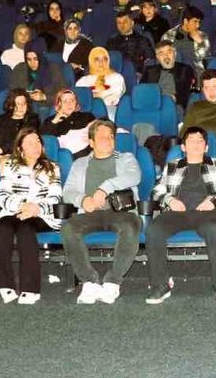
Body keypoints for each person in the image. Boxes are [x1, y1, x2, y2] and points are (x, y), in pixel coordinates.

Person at [146, 125, 216, 305]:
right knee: (154, 230)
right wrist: (170, 200)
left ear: (206, 147)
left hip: (208, 212)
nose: (196, 144)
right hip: (177, 212)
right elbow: (157, 190)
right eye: (191, 141)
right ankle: (160, 285)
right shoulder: (173, 165)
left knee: (215, 229)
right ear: (183, 146)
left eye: (200, 141)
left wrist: (213, 201)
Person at [61, 119, 142, 305]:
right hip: (90, 212)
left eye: (111, 136)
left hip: (120, 212)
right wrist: (83, 200)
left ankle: (113, 282)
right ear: (91, 142)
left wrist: (105, 188)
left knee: (131, 226)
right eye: (102, 137)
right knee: (68, 228)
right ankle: (89, 282)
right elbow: (68, 191)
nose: (108, 140)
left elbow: (134, 176)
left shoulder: (126, 158)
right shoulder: (80, 163)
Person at [0, 129, 62, 304]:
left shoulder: (52, 167)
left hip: (42, 215)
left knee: (26, 228)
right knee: (3, 227)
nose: (36, 146)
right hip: (15, 211)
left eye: (37, 141)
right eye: (30, 143)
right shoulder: (10, 166)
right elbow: (2, 196)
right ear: (20, 148)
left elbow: (56, 197)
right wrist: (22, 205)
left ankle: (30, 288)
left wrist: (36, 208)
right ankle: (4, 284)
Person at [0, 90, 41, 158]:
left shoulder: (32, 120)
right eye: (18, 104)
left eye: (24, 103)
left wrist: (1, 150)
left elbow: (23, 139)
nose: (21, 107)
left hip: (21, 157)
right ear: (11, 106)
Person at [142, 40, 197, 110]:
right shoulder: (149, 71)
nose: (166, 56)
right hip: (153, 105)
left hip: (175, 105)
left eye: (169, 52)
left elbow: (188, 92)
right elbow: (142, 92)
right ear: (157, 57)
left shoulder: (185, 70)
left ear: (175, 54)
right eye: (161, 53)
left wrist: (174, 98)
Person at [75, 47, 126, 119]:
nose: (101, 62)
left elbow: (116, 95)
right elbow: (80, 98)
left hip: (109, 109)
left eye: (104, 59)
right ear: (91, 61)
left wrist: (93, 96)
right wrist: (104, 94)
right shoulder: (83, 80)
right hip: (86, 112)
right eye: (97, 59)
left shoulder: (117, 77)